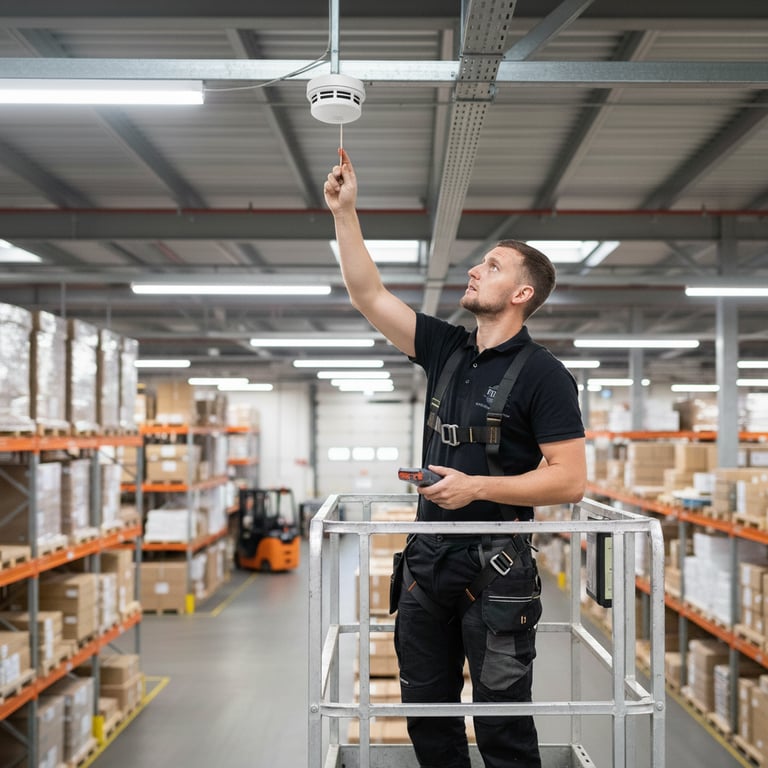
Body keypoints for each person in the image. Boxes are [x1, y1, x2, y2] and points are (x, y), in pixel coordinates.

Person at [324, 149, 587, 768]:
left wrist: (476, 490)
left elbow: (571, 480)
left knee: (501, 725)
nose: (474, 269)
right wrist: (345, 213)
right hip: (425, 561)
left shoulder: (545, 375)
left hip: (497, 569)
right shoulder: (446, 348)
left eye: (491, 266)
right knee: (429, 717)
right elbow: (368, 294)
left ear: (521, 292)